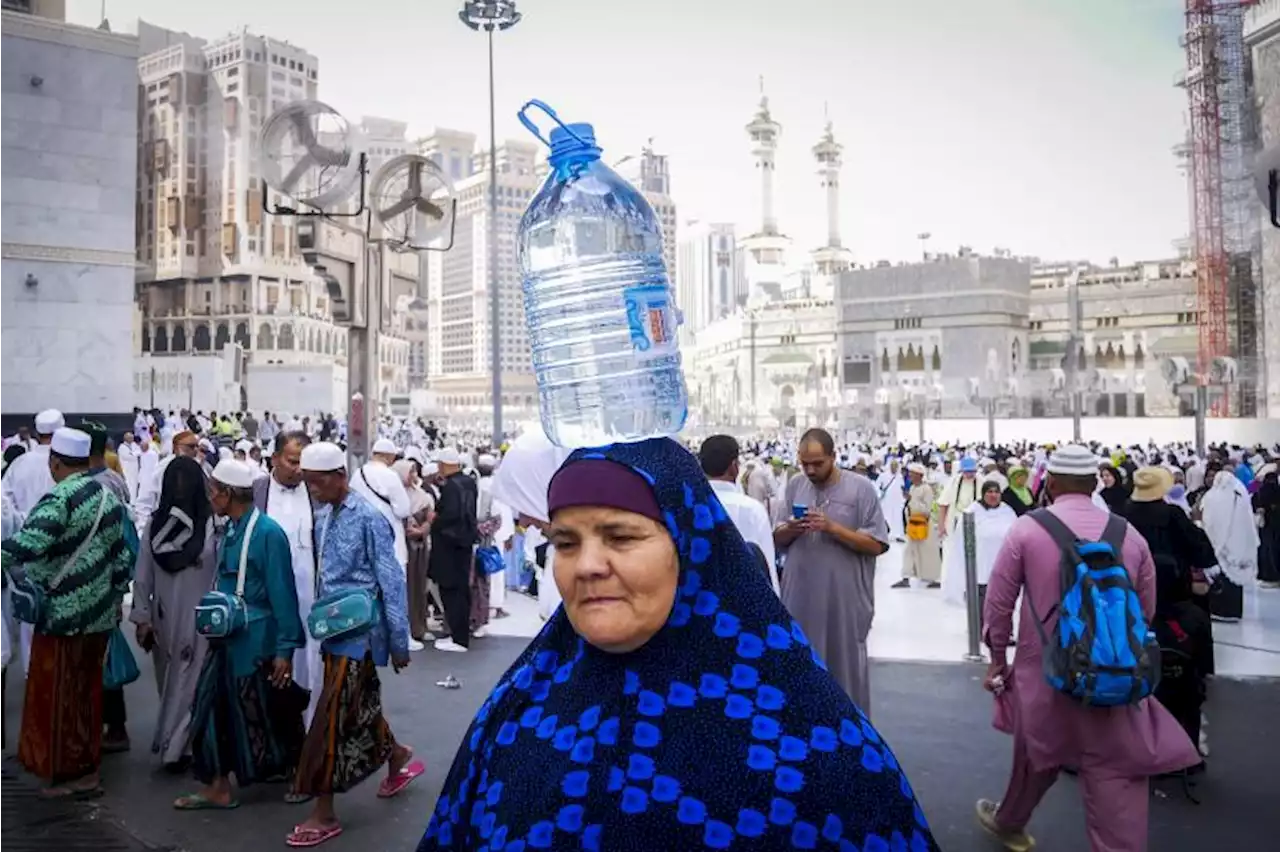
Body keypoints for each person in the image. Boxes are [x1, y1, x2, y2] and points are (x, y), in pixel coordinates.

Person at [416, 438, 939, 852]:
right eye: (566, 542)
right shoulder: (517, 714)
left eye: (621, 537)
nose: (588, 565)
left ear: (690, 550)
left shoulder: (819, 758)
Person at [977, 444, 1199, 851]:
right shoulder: (1127, 535)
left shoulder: (1027, 529)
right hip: (1113, 678)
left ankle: (1010, 821)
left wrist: (995, 661)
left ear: (1052, 484)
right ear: (1096, 482)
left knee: (1037, 752)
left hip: (1043, 672)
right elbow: (1144, 609)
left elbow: (999, 603)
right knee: (1114, 774)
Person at [291, 442, 421, 848]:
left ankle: (323, 811)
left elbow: (392, 582)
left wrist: (400, 644)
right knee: (354, 707)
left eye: (318, 483)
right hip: (331, 631)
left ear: (339, 477)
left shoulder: (369, 518)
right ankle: (396, 754)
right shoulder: (323, 514)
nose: (313, 491)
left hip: (361, 636)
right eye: (308, 484)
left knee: (329, 717)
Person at [0, 427, 133, 799]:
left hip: (62, 618)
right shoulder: (108, 497)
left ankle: (71, 773)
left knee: (59, 696)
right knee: (87, 694)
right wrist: (113, 599)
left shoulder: (58, 499)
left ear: (55, 462)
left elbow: (28, 544)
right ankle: (85, 767)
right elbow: (123, 557)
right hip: (99, 617)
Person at [176, 460, 308, 811]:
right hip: (227, 641)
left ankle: (301, 774)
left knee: (273, 714)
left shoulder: (267, 533)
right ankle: (218, 786)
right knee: (208, 709)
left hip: (257, 644)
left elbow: (283, 596)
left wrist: (284, 651)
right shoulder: (231, 530)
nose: (210, 498)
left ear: (229, 494)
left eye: (214, 491)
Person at [774, 428, 889, 711]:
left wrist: (832, 528)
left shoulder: (860, 488)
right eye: (805, 464)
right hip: (800, 596)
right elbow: (776, 539)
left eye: (818, 463)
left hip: (844, 600)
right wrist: (791, 528)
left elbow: (877, 544)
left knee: (844, 672)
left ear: (834, 457)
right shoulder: (795, 486)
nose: (810, 470)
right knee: (801, 666)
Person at [130, 456, 216, 769]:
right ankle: (175, 742)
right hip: (165, 618)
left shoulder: (212, 525)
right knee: (172, 683)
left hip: (203, 619)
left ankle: (181, 746)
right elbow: (142, 575)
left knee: (195, 681)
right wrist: (142, 618)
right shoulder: (154, 525)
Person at [253, 431, 324, 727]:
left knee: (309, 661)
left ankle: (308, 733)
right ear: (275, 459)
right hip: (266, 596)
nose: (298, 469)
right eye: (293, 461)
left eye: (303, 463)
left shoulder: (317, 492)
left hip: (309, 595)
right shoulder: (256, 491)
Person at [699, 434, 779, 593]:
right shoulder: (752, 510)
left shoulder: (688, 507)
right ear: (734, 466)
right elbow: (767, 568)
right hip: (743, 604)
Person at [429, 448, 478, 652]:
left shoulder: (451, 487)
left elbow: (450, 515)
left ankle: (458, 638)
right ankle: (461, 634)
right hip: (465, 544)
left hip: (449, 546)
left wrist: (435, 520)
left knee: (451, 591)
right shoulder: (469, 483)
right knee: (461, 590)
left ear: (444, 464)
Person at [942, 479, 1016, 611]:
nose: (993, 495)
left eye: (996, 492)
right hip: (980, 568)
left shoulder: (1007, 511)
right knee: (981, 603)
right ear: (983, 493)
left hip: (1002, 568)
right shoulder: (972, 512)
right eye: (990, 492)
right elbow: (961, 541)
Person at [1200, 469, 1259, 622]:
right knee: (1234, 579)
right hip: (1238, 543)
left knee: (1221, 579)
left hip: (1220, 543)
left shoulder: (1214, 496)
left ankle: (1221, 611)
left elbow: (1209, 520)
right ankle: (1234, 611)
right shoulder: (1240, 493)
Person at [396, 458, 435, 643]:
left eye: (414, 471)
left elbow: (430, 517)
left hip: (419, 548)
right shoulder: (393, 496)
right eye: (409, 472)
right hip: (400, 548)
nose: (413, 476)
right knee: (404, 588)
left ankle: (419, 626)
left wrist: (422, 530)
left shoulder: (422, 495)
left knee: (419, 587)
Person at [894, 462, 942, 590]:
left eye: (913, 474)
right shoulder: (913, 488)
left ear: (919, 475)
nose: (910, 477)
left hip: (924, 526)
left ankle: (933, 577)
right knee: (909, 550)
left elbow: (926, 509)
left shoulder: (926, 489)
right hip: (913, 525)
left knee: (927, 552)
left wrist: (912, 500)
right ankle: (906, 577)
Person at [1254, 464, 1280, 588]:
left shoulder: (1265, 486)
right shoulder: (1273, 485)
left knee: (1270, 549)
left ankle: (1272, 577)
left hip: (1270, 523)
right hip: (1272, 522)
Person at [876, 457, 907, 542]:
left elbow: (901, 488)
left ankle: (898, 535)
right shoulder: (883, 475)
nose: (894, 468)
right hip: (886, 500)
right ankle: (883, 534)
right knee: (886, 516)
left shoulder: (899, 476)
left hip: (897, 501)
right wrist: (879, 494)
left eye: (895, 466)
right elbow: (877, 485)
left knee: (897, 517)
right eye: (892, 466)